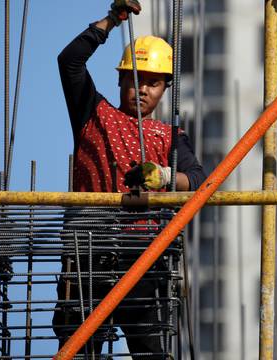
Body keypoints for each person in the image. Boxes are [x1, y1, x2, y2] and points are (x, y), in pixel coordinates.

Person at [53, 0, 206, 358]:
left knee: (151, 349)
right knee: (77, 347)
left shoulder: (169, 137)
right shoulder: (94, 113)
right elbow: (69, 62)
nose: (143, 90)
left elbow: (200, 180)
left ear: (165, 89)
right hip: (87, 250)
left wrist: (165, 176)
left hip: (142, 255)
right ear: (121, 79)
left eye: (154, 83)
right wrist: (110, 22)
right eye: (136, 80)